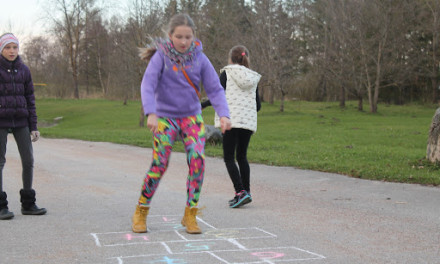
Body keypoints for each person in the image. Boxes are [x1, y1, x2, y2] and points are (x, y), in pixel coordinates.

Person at [132, 14, 231, 234]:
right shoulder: (161, 57)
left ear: (193, 36)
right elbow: (148, 84)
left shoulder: (200, 58)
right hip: (165, 118)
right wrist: (151, 112)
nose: (183, 41)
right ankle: (141, 210)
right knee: (160, 164)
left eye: (188, 37)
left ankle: (190, 214)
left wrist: (223, 114)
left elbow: (215, 89)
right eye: (179, 37)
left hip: (191, 118)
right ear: (170, 36)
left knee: (197, 161)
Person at [201, 45, 261, 209]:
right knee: (241, 157)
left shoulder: (227, 72)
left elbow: (217, 94)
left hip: (231, 120)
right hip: (247, 123)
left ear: (230, 59)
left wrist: (203, 105)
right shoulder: (253, 77)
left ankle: (240, 191)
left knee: (229, 157)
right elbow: (258, 106)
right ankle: (246, 192)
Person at [0, 33, 47, 220]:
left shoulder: (24, 70)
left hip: (21, 121)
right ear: (2, 49)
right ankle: (1, 206)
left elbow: (30, 99)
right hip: (1, 122)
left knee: (28, 160)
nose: (12, 51)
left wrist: (33, 126)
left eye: (15, 47)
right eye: (8, 47)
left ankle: (28, 203)